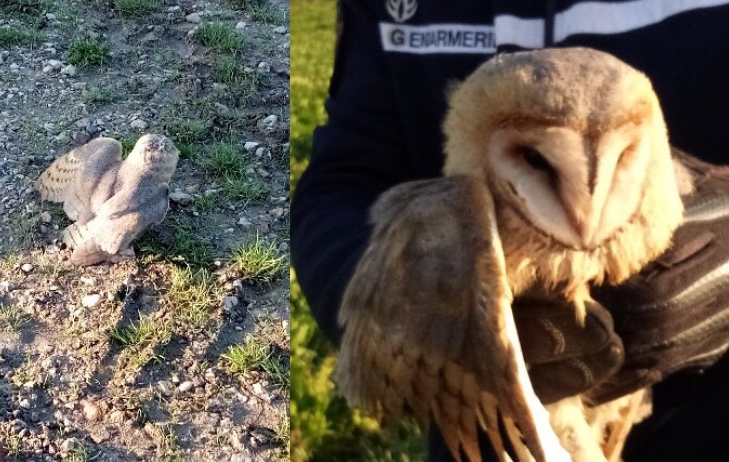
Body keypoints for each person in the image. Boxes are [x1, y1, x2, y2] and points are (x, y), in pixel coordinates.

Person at [291, 1, 729, 461]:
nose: (582, 221)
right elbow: (345, 178)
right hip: (488, 424)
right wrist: (399, 291)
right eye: (534, 159)